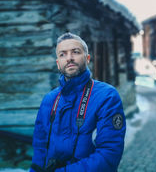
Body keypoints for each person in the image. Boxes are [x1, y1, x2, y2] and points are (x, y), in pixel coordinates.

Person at [31, 32, 126, 172]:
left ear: (87, 58)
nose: (69, 58)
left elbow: (108, 155)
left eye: (75, 52)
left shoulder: (106, 96)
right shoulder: (49, 100)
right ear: (58, 64)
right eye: (63, 54)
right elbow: (39, 149)